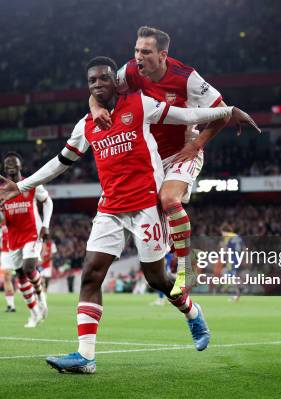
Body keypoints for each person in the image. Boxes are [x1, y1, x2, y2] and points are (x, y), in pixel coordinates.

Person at [0, 56, 250, 374]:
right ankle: (86, 357)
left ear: (115, 81)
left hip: (145, 206)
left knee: (156, 278)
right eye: (91, 81)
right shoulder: (85, 125)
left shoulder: (140, 104)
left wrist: (227, 111)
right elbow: (60, 162)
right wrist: (22, 185)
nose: (97, 84)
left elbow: (187, 115)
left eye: (102, 79)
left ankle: (192, 311)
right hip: (110, 208)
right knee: (90, 275)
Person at [89, 26, 259, 297]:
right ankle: (173, 264)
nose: (138, 57)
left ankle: (186, 265)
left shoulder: (187, 78)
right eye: (136, 50)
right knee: (153, 211)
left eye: (145, 52)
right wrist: (96, 108)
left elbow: (222, 113)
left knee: (169, 200)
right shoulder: (131, 71)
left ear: (163, 54)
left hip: (183, 151)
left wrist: (196, 144)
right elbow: (99, 88)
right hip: (152, 157)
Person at [0, 152, 53, 327]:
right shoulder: (0, 191)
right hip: (13, 238)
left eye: (14, 162)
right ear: (5, 168)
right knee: (19, 274)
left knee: (29, 267)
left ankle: (41, 297)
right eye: (8, 163)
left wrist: (46, 225)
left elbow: (48, 202)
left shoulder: (32, 183)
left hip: (32, 233)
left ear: (20, 166)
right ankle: (34, 313)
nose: (11, 165)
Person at [0, 219, 15, 312]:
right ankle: (11, 305)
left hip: (16, 251)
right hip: (5, 253)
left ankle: (34, 299)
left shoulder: (17, 220)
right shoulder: (2, 225)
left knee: (23, 276)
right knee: (7, 278)